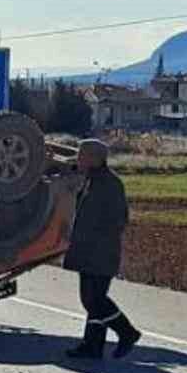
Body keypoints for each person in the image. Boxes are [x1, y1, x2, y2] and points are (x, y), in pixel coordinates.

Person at [63, 138, 141, 361]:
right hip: (88, 250)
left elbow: (119, 219)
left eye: (82, 155)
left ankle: (127, 332)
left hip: (101, 251)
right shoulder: (91, 179)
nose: (78, 158)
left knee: (94, 300)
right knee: (92, 299)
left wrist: (94, 238)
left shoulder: (110, 184)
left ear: (95, 158)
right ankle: (92, 346)